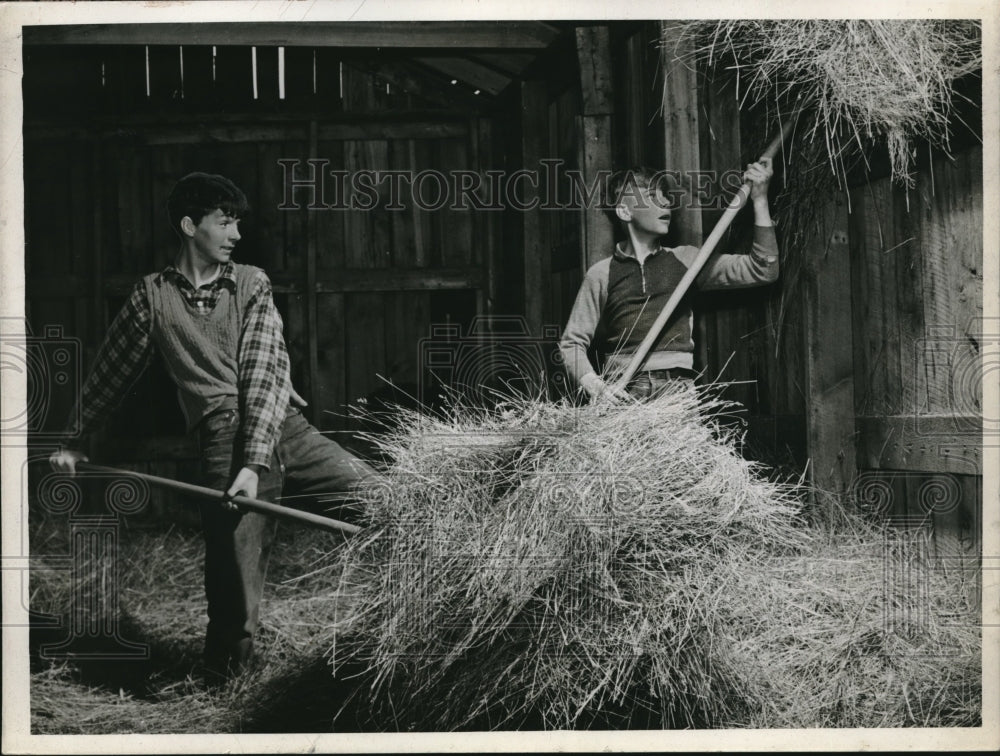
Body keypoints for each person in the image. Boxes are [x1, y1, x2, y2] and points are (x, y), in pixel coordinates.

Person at [50, 172, 379, 678]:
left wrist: (256, 461)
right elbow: (110, 374)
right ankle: (228, 684)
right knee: (233, 579)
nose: (236, 235)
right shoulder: (151, 297)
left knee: (388, 499)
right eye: (225, 223)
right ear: (189, 225)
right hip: (222, 440)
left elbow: (263, 372)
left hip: (283, 428)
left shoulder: (251, 282)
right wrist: (74, 439)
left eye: (237, 224)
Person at [559, 160, 779, 402]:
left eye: (665, 196)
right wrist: (594, 385)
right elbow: (571, 343)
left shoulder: (688, 261)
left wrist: (759, 200)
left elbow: (763, 269)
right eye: (652, 196)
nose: (665, 202)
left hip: (677, 391)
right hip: (624, 391)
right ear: (624, 211)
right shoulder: (601, 273)